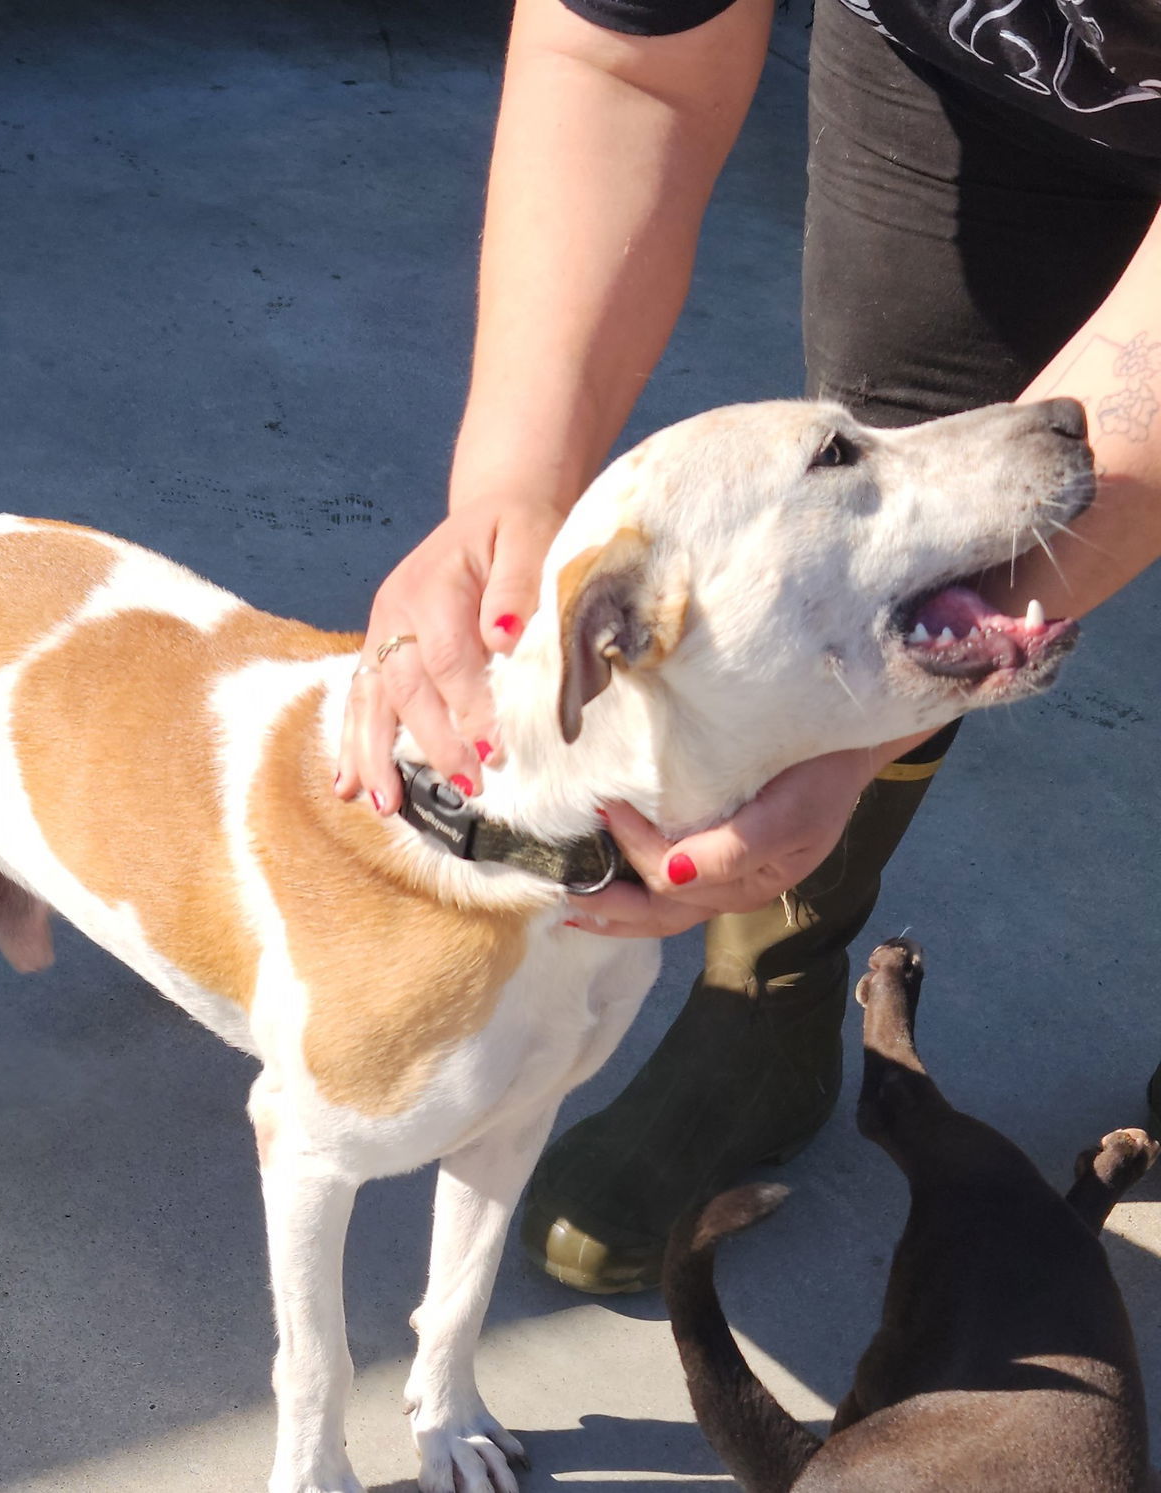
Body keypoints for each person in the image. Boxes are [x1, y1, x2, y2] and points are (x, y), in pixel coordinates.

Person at [334, 0, 1161, 1293]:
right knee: (895, 500)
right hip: (968, 76)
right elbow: (623, 64)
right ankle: (769, 994)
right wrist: (508, 501)